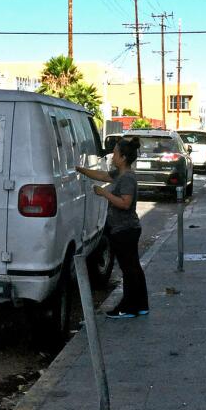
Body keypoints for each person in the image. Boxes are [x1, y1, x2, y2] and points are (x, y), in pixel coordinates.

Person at [77, 136, 149, 318]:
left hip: (125, 230)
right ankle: (140, 305)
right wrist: (80, 169)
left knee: (129, 269)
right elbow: (102, 175)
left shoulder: (127, 178)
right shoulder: (120, 174)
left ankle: (128, 307)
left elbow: (125, 203)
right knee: (133, 268)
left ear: (123, 157)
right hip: (124, 229)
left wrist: (103, 193)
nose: (112, 156)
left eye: (116, 153)